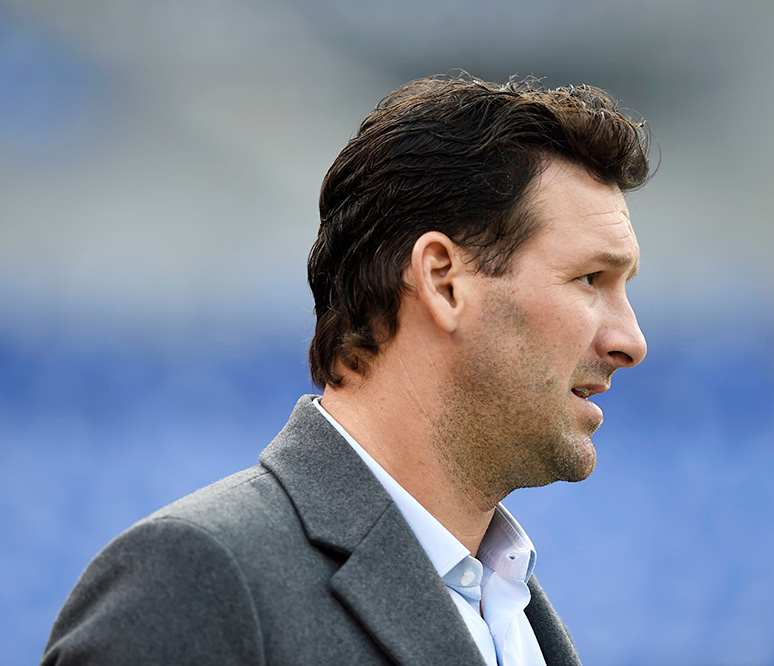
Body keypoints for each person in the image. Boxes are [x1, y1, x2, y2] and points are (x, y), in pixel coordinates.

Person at [41, 73, 652, 665]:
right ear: (442, 280)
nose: (632, 341)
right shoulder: (195, 584)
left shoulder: (512, 614)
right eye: (590, 279)